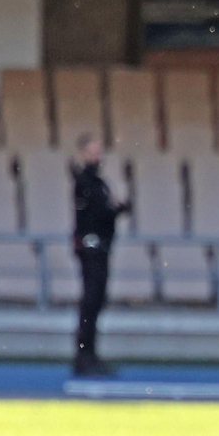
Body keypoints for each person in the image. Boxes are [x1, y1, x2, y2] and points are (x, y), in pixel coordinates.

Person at [71, 134, 130, 378]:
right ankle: (84, 355)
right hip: (91, 249)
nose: (97, 157)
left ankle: (89, 354)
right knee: (90, 303)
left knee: (95, 303)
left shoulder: (98, 183)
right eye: (92, 152)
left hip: (101, 248)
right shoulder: (85, 182)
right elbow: (94, 215)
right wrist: (114, 211)